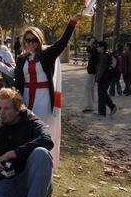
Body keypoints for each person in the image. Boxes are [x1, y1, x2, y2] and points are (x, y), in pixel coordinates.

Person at [14, 13, 82, 168]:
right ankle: (26, 165)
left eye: (34, 39)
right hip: (25, 99)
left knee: (41, 132)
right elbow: (17, 80)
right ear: (23, 42)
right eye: (27, 40)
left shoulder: (47, 55)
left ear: (39, 40)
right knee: (25, 132)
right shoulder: (21, 59)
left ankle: (43, 165)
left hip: (43, 99)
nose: (31, 43)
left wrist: (72, 23)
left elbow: (62, 42)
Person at [95, 41, 118, 117]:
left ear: (102, 47)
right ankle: (103, 111)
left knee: (102, 93)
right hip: (107, 77)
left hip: (104, 78)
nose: (97, 48)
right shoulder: (105, 55)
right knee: (102, 94)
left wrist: (97, 79)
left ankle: (110, 108)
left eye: (98, 46)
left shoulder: (103, 56)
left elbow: (101, 69)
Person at [83, 37, 99, 113]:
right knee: (91, 89)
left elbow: (88, 49)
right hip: (93, 72)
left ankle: (89, 106)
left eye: (89, 42)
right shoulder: (96, 50)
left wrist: (91, 42)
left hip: (92, 73)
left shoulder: (95, 50)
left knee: (87, 89)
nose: (88, 44)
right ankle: (91, 105)